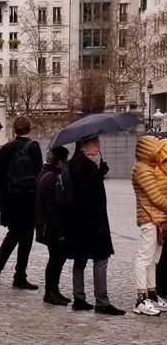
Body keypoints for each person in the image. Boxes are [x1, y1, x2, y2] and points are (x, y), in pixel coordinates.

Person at [66, 135, 125, 315]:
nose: (98, 145)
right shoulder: (82, 164)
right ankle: (102, 301)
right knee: (101, 256)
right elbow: (88, 196)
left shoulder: (80, 162)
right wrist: (99, 223)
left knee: (81, 257)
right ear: (84, 144)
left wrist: (99, 173)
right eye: (95, 142)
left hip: (81, 221)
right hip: (89, 221)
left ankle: (80, 298)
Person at [0, 115, 42, 289]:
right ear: (29, 128)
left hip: (9, 201)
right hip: (27, 200)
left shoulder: (6, 148)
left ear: (14, 130)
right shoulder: (33, 147)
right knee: (25, 238)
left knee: (12, 235)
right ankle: (19, 276)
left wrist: (8, 186)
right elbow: (38, 176)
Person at [131, 135, 167, 315]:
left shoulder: (149, 168)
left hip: (156, 218)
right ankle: (141, 298)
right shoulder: (142, 169)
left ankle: (151, 294)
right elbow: (155, 196)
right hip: (149, 217)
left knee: (153, 259)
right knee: (144, 258)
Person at [35, 146, 70, 306]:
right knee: (55, 259)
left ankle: (54, 291)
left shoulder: (46, 174)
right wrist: (60, 230)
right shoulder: (51, 178)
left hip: (49, 225)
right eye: (65, 160)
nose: (66, 163)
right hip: (52, 227)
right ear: (59, 161)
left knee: (57, 259)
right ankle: (50, 292)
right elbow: (51, 207)